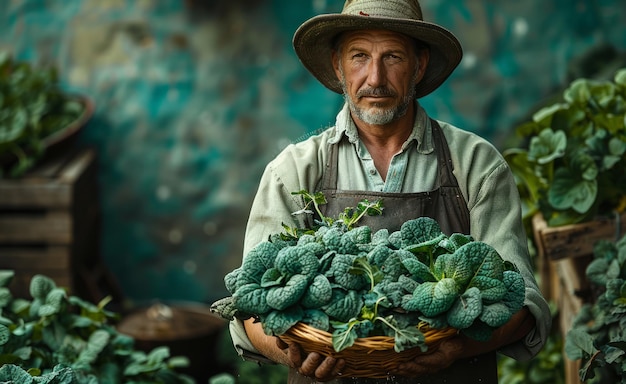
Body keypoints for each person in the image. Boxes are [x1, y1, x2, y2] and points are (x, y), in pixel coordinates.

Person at [228, 0, 552, 382]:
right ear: (338, 65)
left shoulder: (477, 164)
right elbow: (249, 307)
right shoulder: (294, 170)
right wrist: (291, 352)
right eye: (359, 56)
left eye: (393, 57)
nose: (375, 78)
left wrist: (457, 348)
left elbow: (521, 303)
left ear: (420, 64)